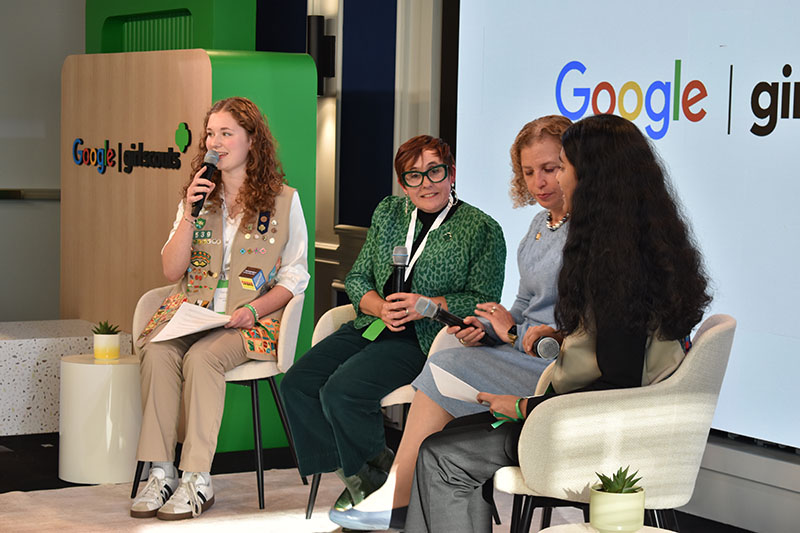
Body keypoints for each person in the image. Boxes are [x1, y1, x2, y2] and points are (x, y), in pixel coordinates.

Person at [404, 114, 712, 533]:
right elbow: (615, 352)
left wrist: (523, 406)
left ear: (593, 177)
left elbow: (615, 385)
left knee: (442, 455)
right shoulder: (644, 244)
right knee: (440, 446)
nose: (553, 181)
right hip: (591, 415)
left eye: (561, 167)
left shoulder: (617, 269)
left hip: (591, 429)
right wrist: (560, 337)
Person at [330, 115, 573, 531]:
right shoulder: (539, 225)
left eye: (550, 169)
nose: (539, 182)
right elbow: (523, 303)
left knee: (441, 365)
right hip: (517, 346)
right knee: (447, 352)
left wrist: (509, 332)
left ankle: (395, 495)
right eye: (529, 172)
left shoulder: (586, 234)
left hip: (551, 361)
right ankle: (397, 494)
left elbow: (567, 331)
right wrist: (493, 323)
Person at [280, 135, 506, 516]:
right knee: (297, 385)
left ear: (451, 173)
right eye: (413, 176)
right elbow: (357, 279)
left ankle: (375, 489)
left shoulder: (480, 228)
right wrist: (379, 307)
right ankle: (372, 478)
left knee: (343, 392)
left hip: (425, 339)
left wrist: (428, 306)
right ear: (403, 183)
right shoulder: (389, 213)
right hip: (371, 324)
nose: (426, 183)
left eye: (435, 171)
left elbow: (484, 302)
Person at [130, 97, 309, 520]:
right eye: (211, 133)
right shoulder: (198, 197)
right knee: (157, 351)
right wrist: (190, 213)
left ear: (252, 141)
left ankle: (197, 478)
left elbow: (296, 276)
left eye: (226, 133)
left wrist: (256, 310)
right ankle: (162, 471)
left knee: (204, 357)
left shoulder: (284, 200)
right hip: (194, 312)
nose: (216, 142)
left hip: (250, 321)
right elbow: (171, 268)